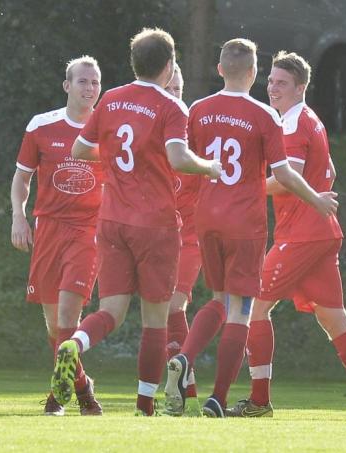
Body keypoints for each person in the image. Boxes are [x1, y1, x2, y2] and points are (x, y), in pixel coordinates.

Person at [51, 28, 222, 416]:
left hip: (111, 220)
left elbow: (79, 148)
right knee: (155, 320)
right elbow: (179, 158)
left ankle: (74, 345)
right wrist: (208, 166)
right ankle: (144, 405)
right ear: (170, 65)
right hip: (155, 225)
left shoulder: (110, 99)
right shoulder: (171, 107)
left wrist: (113, 157)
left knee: (110, 311)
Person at [164, 39, 338, 418]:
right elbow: (285, 174)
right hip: (244, 223)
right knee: (240, 309)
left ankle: (184, 358)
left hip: (206, 218)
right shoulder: (265, 116)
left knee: (217, 299)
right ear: (255, 73)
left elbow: (182, 159)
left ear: (220, 69)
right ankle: (218, 399)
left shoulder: (199, 109)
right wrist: (317, 200)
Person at [224, 51, 346, 420]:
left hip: (301, 236)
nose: (272, 88)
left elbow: (287, 176)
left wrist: (241, 188)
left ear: (301, 87)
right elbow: (328, 168)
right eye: (270, 81)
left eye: (281, 83)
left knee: (254, 309)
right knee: (334, 319)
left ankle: (259, 401)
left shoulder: (293, 124)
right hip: (319, 233)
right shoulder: (309, 119)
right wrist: (317, 192)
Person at [11, 56, 104, 416]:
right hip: (48, 228)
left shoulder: (107, 128)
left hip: (88, 231)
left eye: (95, 82)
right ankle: (81, 386)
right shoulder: (41, 126)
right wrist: (18, 218)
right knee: (54, 323)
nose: (90, 88)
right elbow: (21, 178)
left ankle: (60, 396)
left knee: (69, 310)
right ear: (67, 86)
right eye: (82, 81)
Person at [163, 63, 200, 403]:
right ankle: (185, 391)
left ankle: (183, 384)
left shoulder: (193, 130)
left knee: (173, 305)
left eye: (177, 90)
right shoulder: (150, 128)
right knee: (166, 310)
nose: (172, 95)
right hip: (157, 236)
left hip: (190, 237)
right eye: (167, 88)